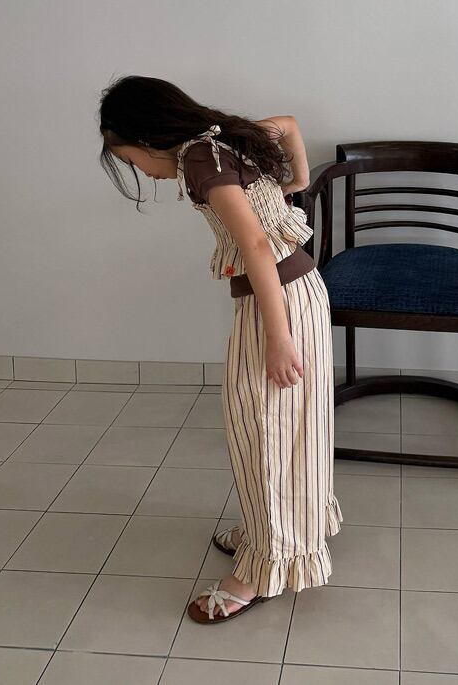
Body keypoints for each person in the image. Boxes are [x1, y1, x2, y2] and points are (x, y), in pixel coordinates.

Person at [98, 75, 343, 624]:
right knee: (292, 425)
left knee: (263, 430)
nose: (142, 172)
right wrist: (297, 181)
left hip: (278, 304)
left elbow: (255, 243)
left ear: (147, 137)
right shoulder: (224, 135)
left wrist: (277, 337)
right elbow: (289, 126)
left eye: (132, 160)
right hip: (300, 292)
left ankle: (261, 567)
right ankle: (278, 532)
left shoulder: (197, 160)